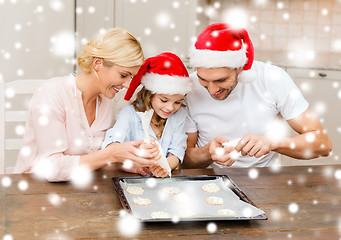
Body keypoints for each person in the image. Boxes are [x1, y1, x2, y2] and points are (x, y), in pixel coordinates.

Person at [13, 28, 160, 181]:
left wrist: (129, 163)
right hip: (34, 191)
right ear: (98, 63)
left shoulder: (105, 101)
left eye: (131, 77)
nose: (127, 85)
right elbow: (52, 169)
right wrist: (112, 153)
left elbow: (92, 160)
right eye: (123, 75)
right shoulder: (51, 93)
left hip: (76, 191)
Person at [183, 23, 332, 168]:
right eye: (203, 79)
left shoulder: (272, 78)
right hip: (213, 181)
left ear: (240, 68)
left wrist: (273, 143)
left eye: (221, 80)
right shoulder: (190, 88)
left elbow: (322, 144)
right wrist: (207, 152)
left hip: (263, 180)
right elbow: (183, 159)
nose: (212, 90)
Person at [102, 52, 192, 177]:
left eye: (177, 102)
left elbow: (176, 152)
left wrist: (162, 167)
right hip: (131, 178)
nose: (170, 107)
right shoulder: (129, 113)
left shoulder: (179, 115)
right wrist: (135, 157)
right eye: (164, 100)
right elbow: (112, 143)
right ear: (149, 95)